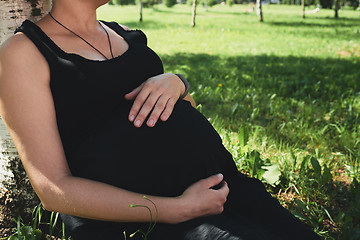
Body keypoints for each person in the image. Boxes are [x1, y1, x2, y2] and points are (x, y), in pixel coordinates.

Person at [0, 0, 321, 239]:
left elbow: (183, 112)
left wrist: (177, 82)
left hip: (224, 189)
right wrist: (175, 209)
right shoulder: (24, 53)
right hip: (146, 217)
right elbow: (53, 189)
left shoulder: (125, 35)